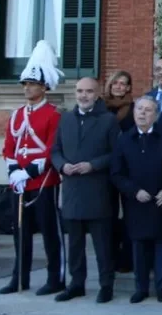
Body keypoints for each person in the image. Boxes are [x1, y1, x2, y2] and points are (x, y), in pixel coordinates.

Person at [0, 40, 65, 296]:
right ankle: (20, 277)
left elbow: (51, 148)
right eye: (25, 84)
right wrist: (14, 171)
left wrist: (28, 172)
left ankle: (55, 278)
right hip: (19, 181)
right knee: (20, 234)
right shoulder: (17, 115)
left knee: (50, 233)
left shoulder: (53, 114)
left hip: (44, 181)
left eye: (32, 84)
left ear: (44, 87)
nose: (27, 88)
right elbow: (9, 146)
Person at [51, 76, 120, 303]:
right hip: (71, 191)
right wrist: (62, 165)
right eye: (80, 91)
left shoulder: (108, 120)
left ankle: (106, 285)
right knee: (75, 244)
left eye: (89, 91)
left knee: (102, 245)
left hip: (98, 191)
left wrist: (93, 165)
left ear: (97, 93)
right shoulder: (66, 119)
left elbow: (117, 154)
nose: (83, 95)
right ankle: (76, 284)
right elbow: (55, 151)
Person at [111, 96, 162, 303]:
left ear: (157, 115)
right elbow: (117, 173)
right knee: (139, 247)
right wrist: (134, 191)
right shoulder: (124, 139)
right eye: (139, 109)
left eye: (148, 110)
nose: (142, 113)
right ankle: (141, 288)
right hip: (137, 202)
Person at [103, 70, 135, 271]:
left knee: (129, 213)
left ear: (129, 87)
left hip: (127, 167)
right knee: (109, 214)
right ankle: (110, 256)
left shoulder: (133, 108)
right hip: (104, 167)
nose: (119, 87)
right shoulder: (100, 107)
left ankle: (127, 258)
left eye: (123, 84)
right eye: (116, 83)